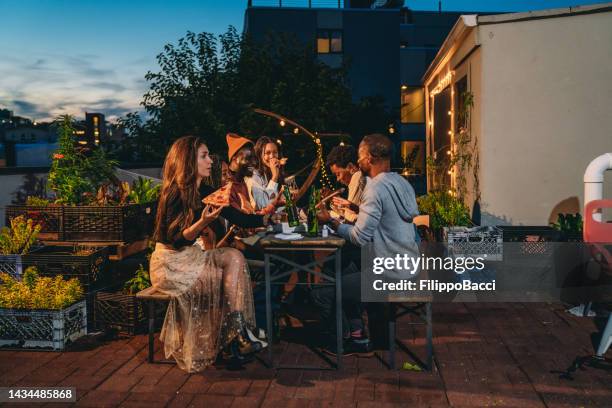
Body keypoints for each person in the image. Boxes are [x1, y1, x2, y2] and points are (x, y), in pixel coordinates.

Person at [150, 135, 266, 373]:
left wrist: (267, 217)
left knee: (234, 257)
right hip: (170, 263)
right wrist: (201, 223)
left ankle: (237, 334)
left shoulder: (205, 190)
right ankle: (233, 342)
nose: (210, 161)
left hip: (191, 256)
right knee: (222, 281)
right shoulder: (172, 193)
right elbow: (171, 239)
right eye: (204, 156)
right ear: (188, 160)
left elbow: (237, 216)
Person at [314, 133, 420, 356]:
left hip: (389, 273)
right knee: (342, 267)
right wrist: (357, 209)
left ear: (370, 157)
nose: (358, 160)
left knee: (325, 290)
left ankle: (343, 342)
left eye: (361, 156)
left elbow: (359, 237)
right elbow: (388, 217)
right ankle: (360, 334)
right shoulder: (402, 183)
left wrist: (331, 222)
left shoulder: (374, 188)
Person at [325, 144, 368, 223]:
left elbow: (350, 218)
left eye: (338, 174)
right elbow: (354, 212)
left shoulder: (357, 176)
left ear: (350, 167)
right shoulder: (363, 177)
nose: (338, 179)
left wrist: (329, 218)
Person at [246, 136, 285, 211]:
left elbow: (283, 204)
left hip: (281, 219)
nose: (272, 156)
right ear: (259, 155)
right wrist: (274, 177)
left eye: (275, 152)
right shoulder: (253, 176)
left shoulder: (276, 171)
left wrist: (298, 211)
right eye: (267, 153)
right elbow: (263, 204)